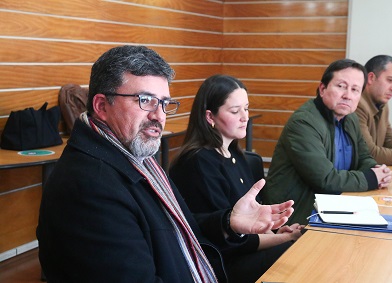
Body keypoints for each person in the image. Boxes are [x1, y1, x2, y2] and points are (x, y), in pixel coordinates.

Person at [36, 45, 296, 283]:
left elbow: (176, 229)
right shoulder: (88, 187)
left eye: (164, 103)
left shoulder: (138, 157)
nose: (159, 116)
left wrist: (229, 222)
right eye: (145, 100)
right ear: (102, 105)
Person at [169, 74, 304, 283]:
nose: (245, 117)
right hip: (220, 264)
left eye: (246, 108)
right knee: (295, 254)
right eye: (235, 111)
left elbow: (252, 220)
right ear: (210, 117)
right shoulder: (197, 163)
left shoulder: (237, 155)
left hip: (242, 252)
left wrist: (276, 231)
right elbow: (230, 240)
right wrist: (284, 238)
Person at [261, 59, 392, 226]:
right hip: (295, 217)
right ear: (323, 89)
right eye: (341, 86)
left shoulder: (350, 118)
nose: (348, 95)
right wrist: (371, 178)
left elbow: (364, 156)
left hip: (333, 207)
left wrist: (376, 171)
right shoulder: (304, 123)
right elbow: (325, 180)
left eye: (355, 90)